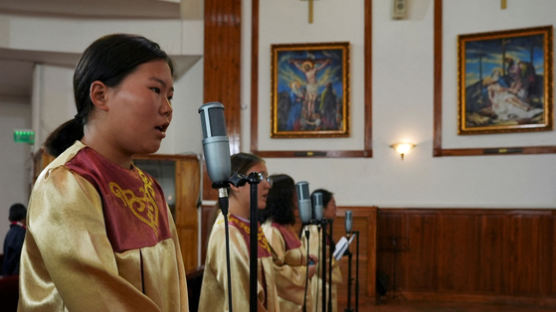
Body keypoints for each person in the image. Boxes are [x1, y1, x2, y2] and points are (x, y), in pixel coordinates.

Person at [18, 34, 188, 311]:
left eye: (170, 96)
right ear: (100, 95)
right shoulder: (66, 183)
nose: (168, 109)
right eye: (156, 90)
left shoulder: (150, 188)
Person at [198, 153, 279, 311]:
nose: (267, 185)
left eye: (266, 178)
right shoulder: (227, 231)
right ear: (235, 184)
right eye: (259, 177)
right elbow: (243, 298)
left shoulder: (251, 225)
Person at [260, 174, 317, 312]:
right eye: (294, 194)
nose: (297, 199)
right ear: (284, 198)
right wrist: (304, 273)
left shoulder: (286, 227)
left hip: (299, 300)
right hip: (286, 305)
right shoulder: (271, 231)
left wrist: (305, 258)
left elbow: (290, 258)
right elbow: (274, 271)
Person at [301, 188, 343, 312]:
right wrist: (336, 259)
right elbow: (318, 265)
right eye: (333, 205)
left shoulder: (320, 229)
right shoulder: (314, 231)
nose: (336, 209)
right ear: (321, 208)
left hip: (324, 284)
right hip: (318, 286)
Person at [1, 203, 27, 276]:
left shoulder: (10, 232)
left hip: (7, 273)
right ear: (24, 218)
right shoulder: (21, 233)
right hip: (16, 276)